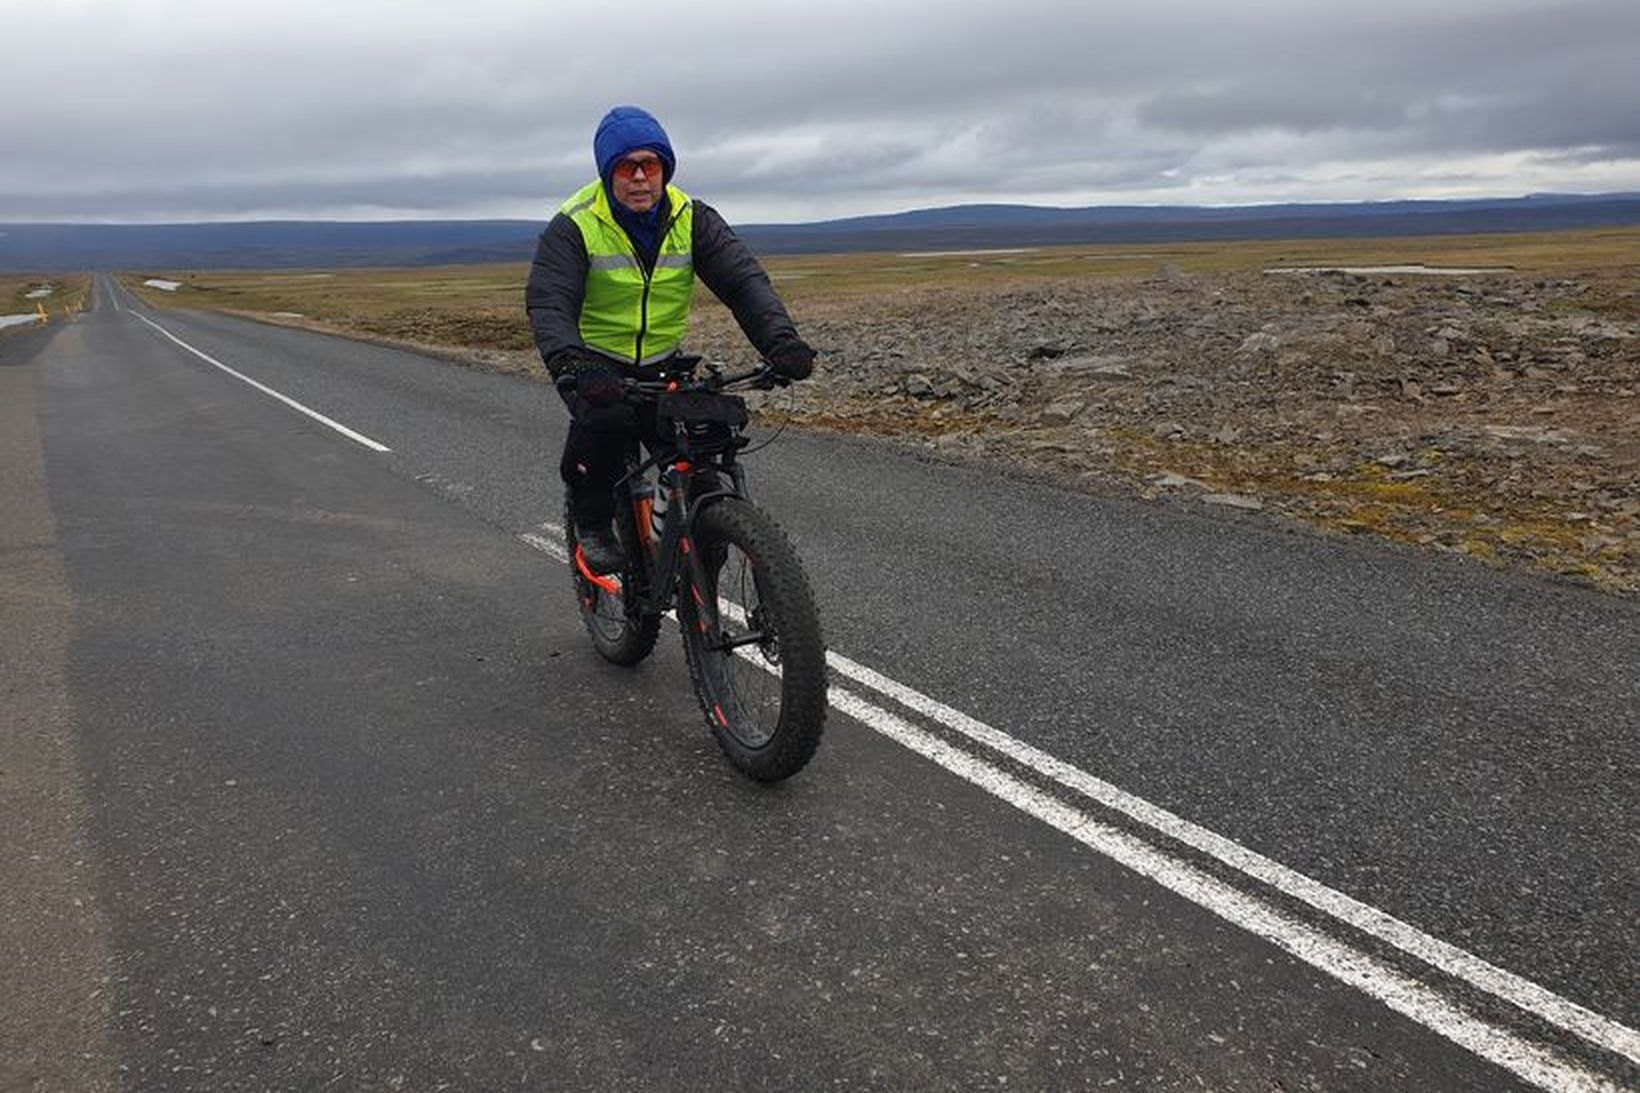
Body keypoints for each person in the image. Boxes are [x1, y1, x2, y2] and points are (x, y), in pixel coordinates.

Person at [526, 105, 816, 573]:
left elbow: (743, 282)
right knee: (601, 428)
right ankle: (593, 523)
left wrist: (780, 342)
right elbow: (549, 303)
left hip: (663, 363)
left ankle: (704, 534)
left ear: (665, 169)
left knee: (702, 443)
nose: (640, 177)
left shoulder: (691, 217)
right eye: (627, 167)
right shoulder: (575, 225)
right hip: (596, 365)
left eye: (651, 165)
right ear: (607, 173)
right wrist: (574, 366)